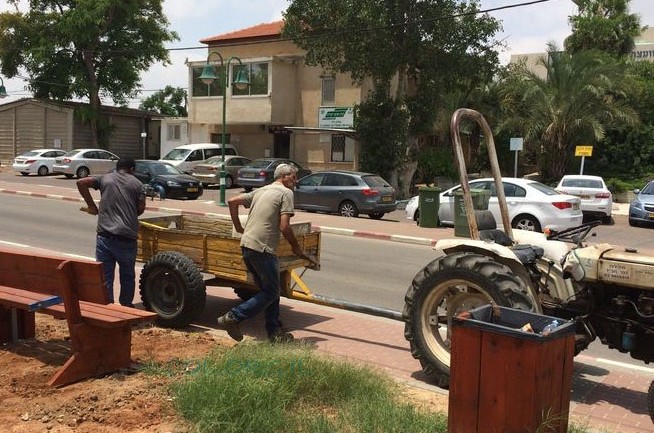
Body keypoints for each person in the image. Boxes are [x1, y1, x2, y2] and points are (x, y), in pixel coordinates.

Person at [218, 163, 315, 342]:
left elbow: (232, 201)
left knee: (271, 291)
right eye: (293, 177)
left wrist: (239, 227)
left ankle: (274, 332)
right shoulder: (286, 193)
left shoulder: (261, 191)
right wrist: (295, 246)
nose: (296, 181)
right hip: (263, 249)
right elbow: (284, 226)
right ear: (284, 177)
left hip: (247, 245)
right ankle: (233, 317)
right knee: (271, 293)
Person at [77, 158, 146, 307]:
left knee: (105, 276)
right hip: (126, 238)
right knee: (127, 275)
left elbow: (81, 182)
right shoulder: (137, 184)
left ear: (117, 168)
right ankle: (126, 306)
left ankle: (106, 307)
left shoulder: (105, 179)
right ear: (132, 169)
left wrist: (92, 206)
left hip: (105, 237)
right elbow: (140, 210)